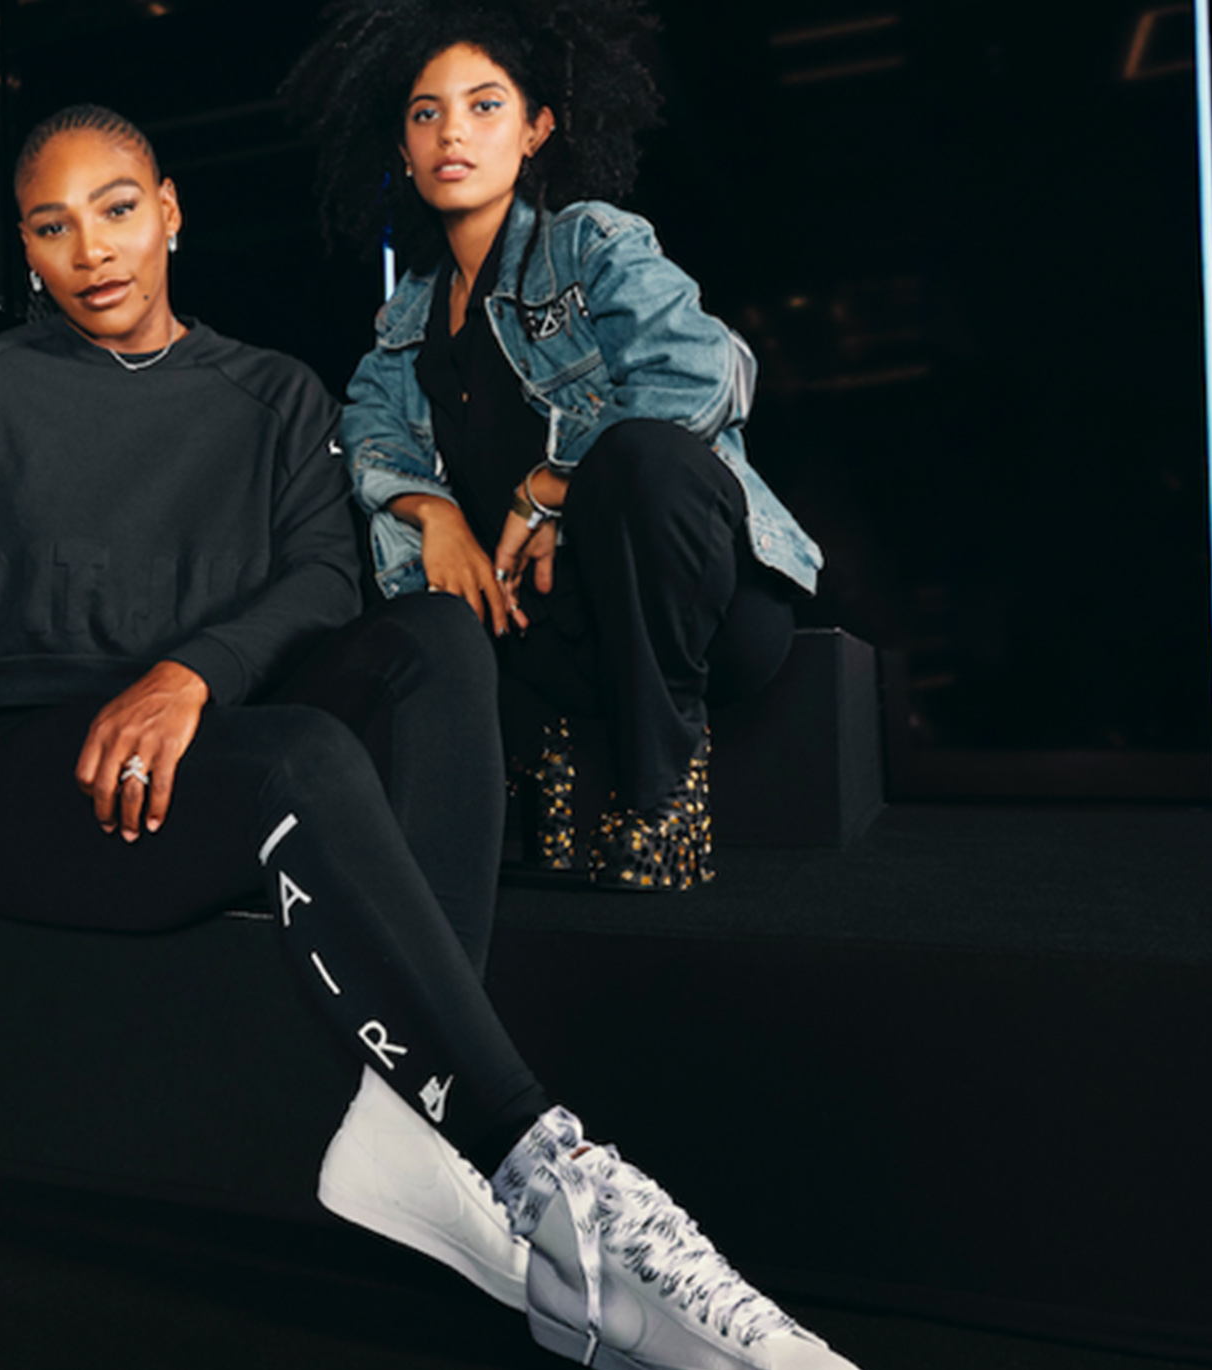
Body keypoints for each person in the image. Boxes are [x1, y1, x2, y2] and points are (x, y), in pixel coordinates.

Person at [0, 104, 892, 1370]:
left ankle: (411, 1120)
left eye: (116, 208)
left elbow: (329, 577)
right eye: (51, 225)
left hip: (195, 740)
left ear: (169, 212)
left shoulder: (273, 393)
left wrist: (192, 670)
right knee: (303, 752)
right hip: (32, 770)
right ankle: (544, 1174)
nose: (90, 249)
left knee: (434, 636)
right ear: (26, 249)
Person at [288, 0, 821, 892]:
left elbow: (705, 373)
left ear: (537, 129)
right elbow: (367, 431)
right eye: (426, 113)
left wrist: (550, 487)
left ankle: (664, 791)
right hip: (561, 638)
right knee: (397, 560)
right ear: (403, 151)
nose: (452, 132)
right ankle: (538, 762)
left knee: (641, 458)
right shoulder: (407, 317)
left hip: (703, 615)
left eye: (485, 104)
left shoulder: (591, 243)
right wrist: (434, 514)